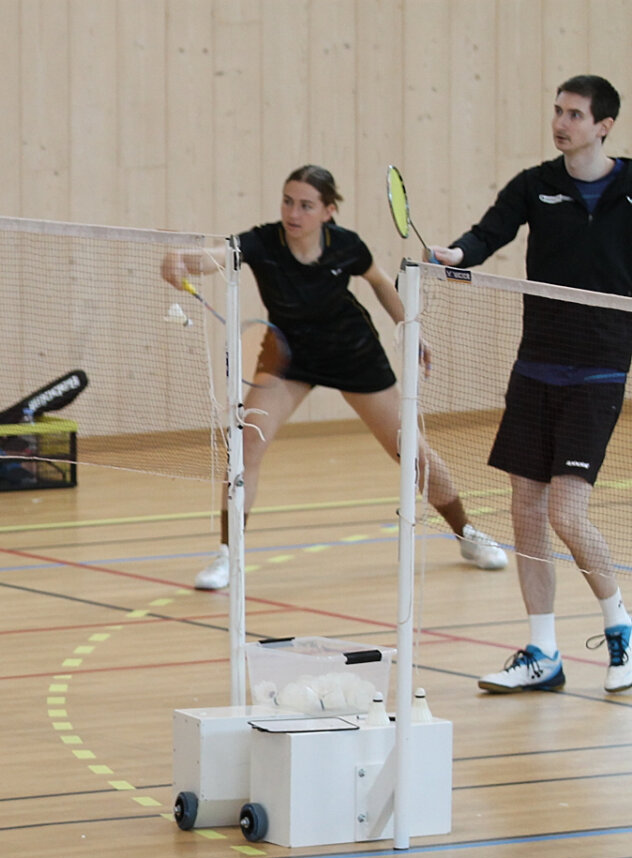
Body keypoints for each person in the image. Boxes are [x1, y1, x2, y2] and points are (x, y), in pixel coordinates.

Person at [162, 166, 509, 591]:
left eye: (306, 205)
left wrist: (410, 328)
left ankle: (466, 533)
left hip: (352, 352)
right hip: (289, 355)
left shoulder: (346, 246)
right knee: (246, 442)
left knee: (410, 450)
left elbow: (379, 283)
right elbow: (215, 257)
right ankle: (227, 555)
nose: (293, 213)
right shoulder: (262, 241)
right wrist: (180, 260)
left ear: (328, 211)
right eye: (288, 202)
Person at [433, 76, 632, 694]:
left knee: (567, 512)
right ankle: (543, 651)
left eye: (574, 114)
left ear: (603, 126)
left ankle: (620, 626)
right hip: (536, 364)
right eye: (557, 111)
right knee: (526, 510)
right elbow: (487, 233)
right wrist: (458, 255)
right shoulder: (535, 184)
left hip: (599, 367)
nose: (560, 123)